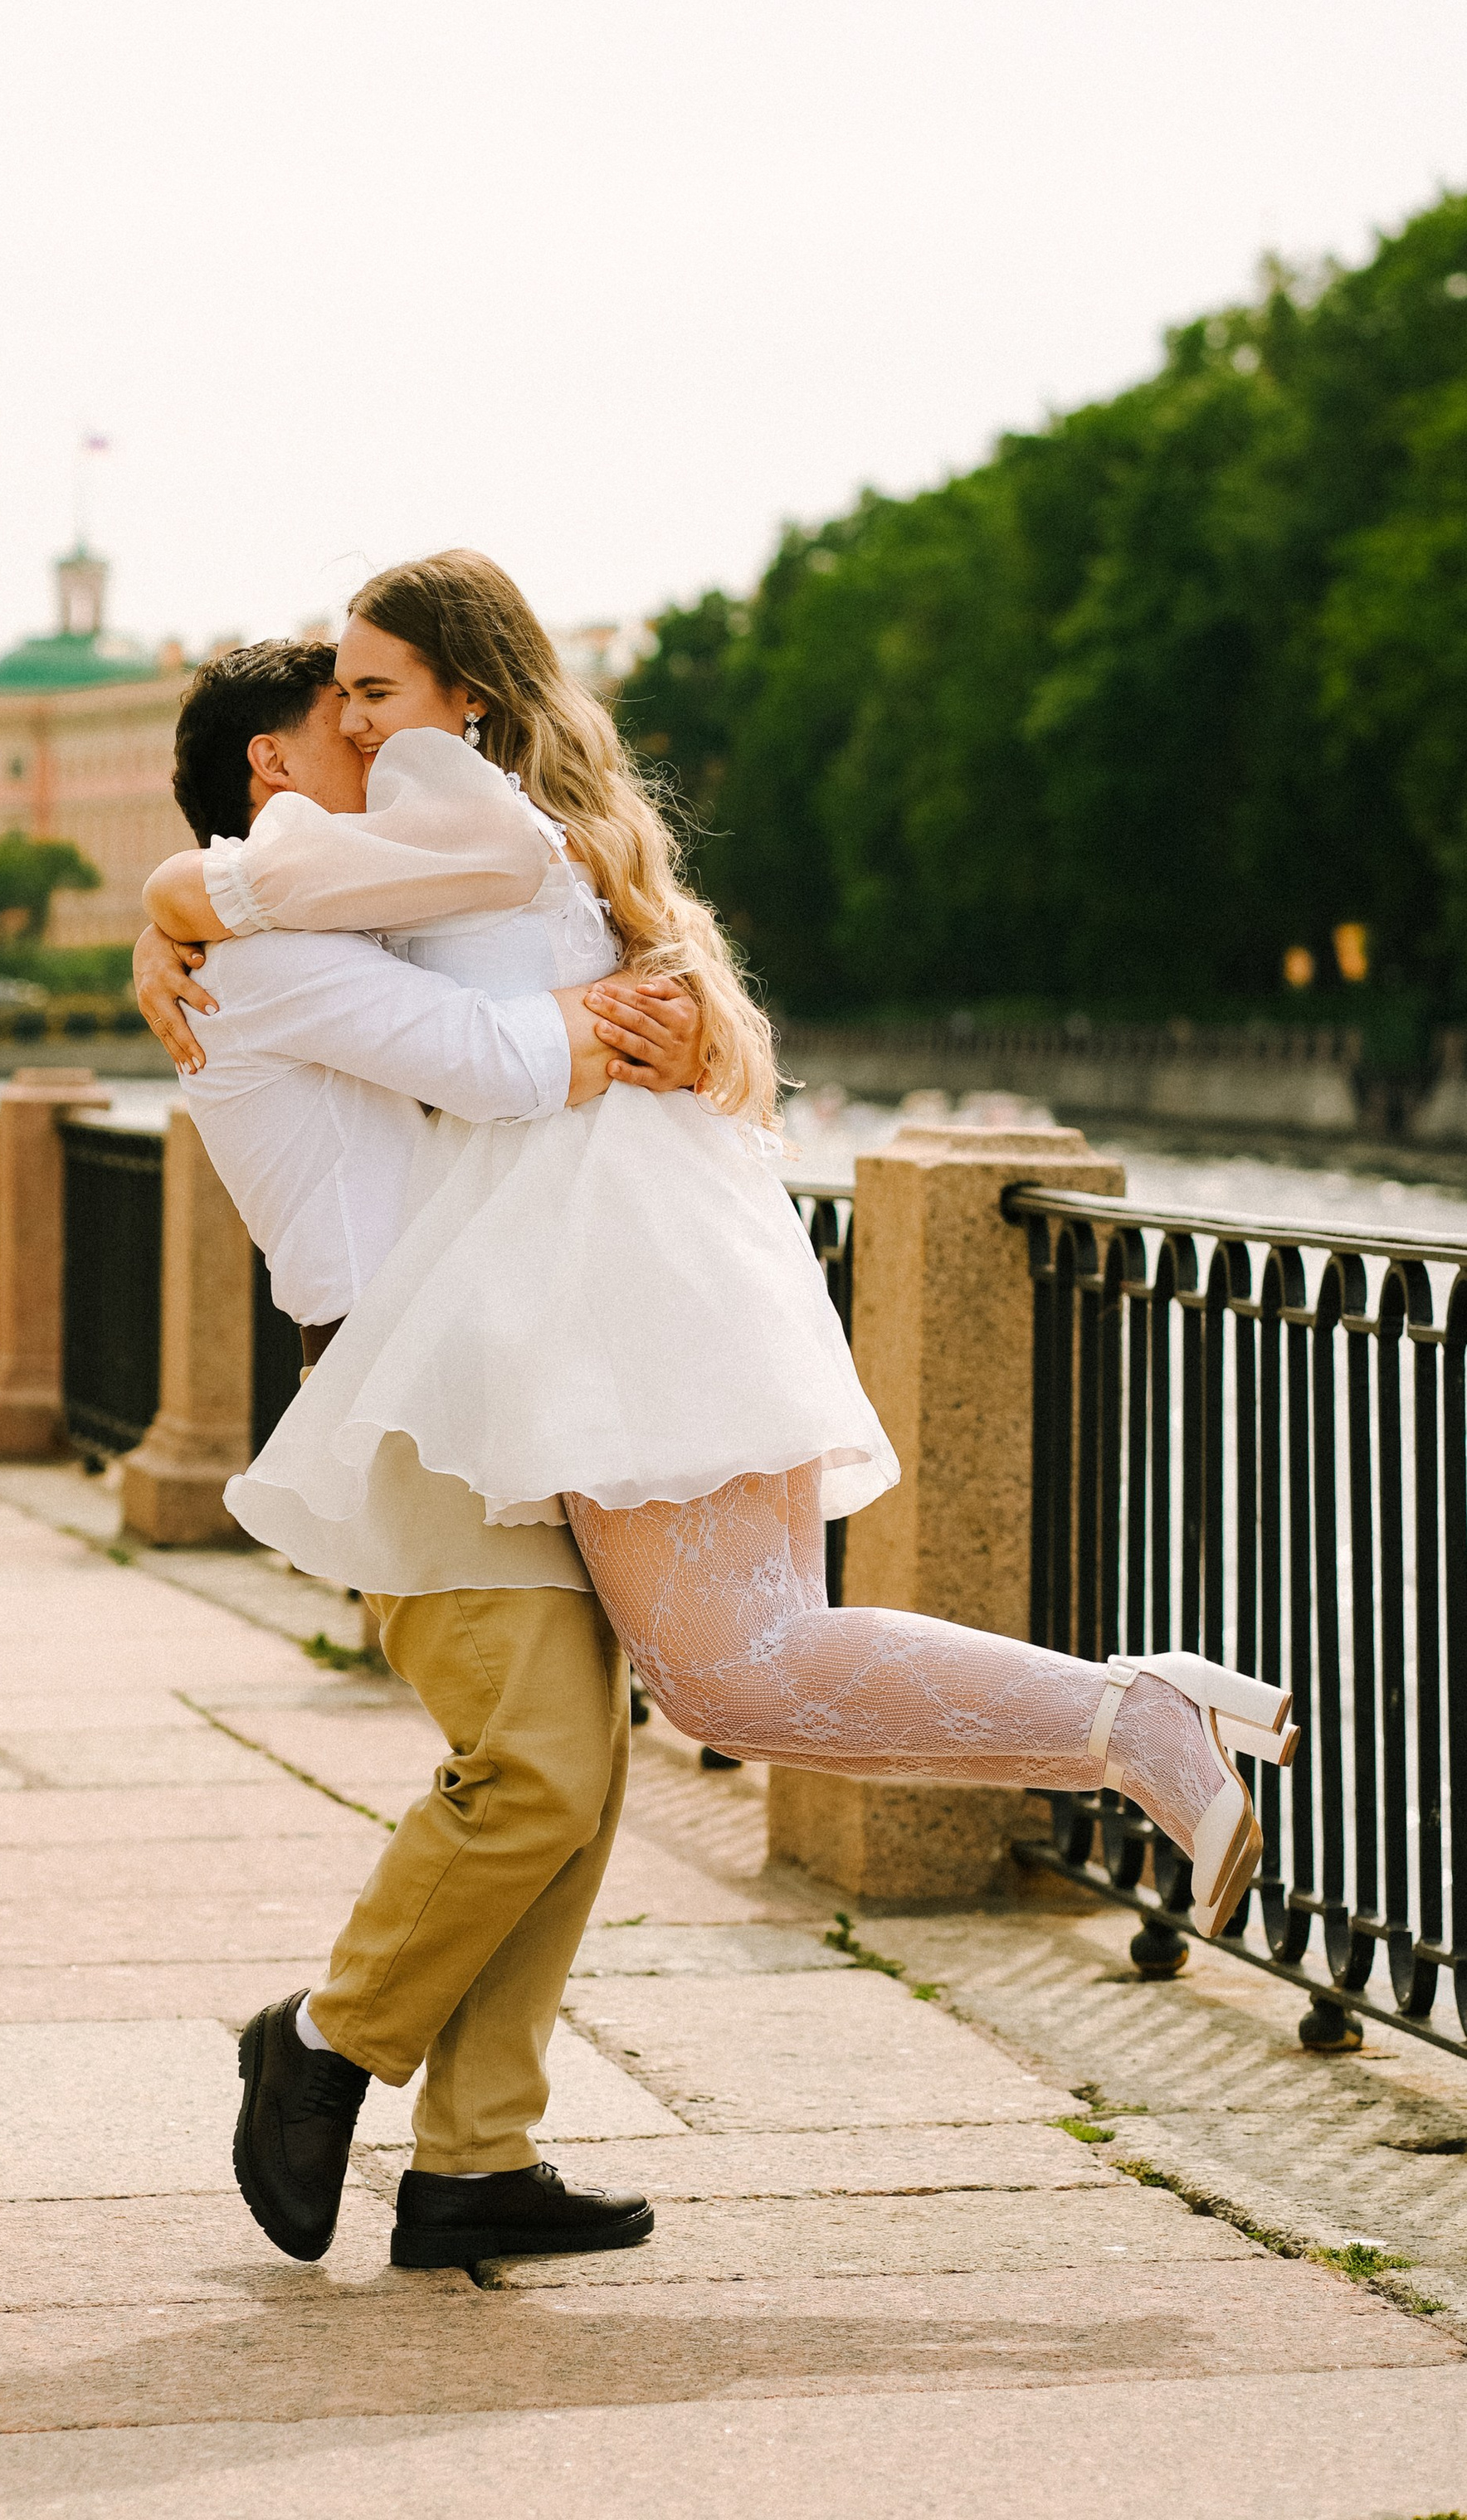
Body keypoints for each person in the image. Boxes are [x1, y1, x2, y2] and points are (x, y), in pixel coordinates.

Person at [142, 552, 1295, 1954]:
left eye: (383, 690)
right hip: (642, 1235)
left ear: (467, 696)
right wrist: (177, 905)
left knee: (733, 1678)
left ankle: (1137, 1723)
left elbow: (477, 1022)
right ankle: (1135, 1715)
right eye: (355, 702)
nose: (372, 726)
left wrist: (196, 899)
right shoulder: (475, 825)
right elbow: (359, 919)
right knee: (737, 1674)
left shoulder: (431, 801)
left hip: (597, 1250)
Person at [133, 636, 705, 2278]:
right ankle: (320, 2041)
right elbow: (502, 1060)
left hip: (496, 1378)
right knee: (527, 1768)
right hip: (404, 1393)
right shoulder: (253, 942)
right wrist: (622, 1015)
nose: (390, 755)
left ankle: (475, 2157)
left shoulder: (271, 921)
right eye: (354, 725)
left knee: (575, 1778)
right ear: (271, 776)